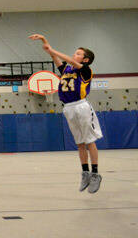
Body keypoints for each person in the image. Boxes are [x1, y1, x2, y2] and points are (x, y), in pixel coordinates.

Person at [29, 34, 102, 194]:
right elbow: (55, 57)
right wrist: (44, 41)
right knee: (79, 142)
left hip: (81, 106)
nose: (74, 55)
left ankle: (95, 174)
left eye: (78, 53)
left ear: (85, 60)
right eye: (75, 53)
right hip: (68, 107)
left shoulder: (85, 71)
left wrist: (53, 49)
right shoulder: (67, 70)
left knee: (89, 141)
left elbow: (68, 59)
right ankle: (85, 173)